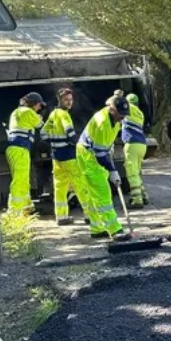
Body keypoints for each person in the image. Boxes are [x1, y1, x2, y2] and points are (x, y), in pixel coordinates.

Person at [76, 92, 131, 240]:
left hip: (94, 152)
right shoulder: (102, 123)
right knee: (102, 192)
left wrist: (109, 150)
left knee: (95, 193)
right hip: (88, 156)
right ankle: (114, 230)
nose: (123, 118)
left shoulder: (114, 119)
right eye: (121, 114)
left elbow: (104, 147)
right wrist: (113, 170)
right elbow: (100, 154)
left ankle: (97, 228)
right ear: (112, 110)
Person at [41, 87, 92, 226]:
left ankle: (62, 216)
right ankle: (90, 214)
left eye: (71, 99)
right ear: (60, 100)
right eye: (66, 100)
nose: (69, 102)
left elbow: (43, 134)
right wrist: (82, 144)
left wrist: (55, 141)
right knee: (80, 184)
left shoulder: (53, 114)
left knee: (60, 187)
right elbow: (70, 133)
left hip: (56, 157)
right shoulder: (64, 115)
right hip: (69, 156)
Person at [5, 91, 45, 214]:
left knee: (23, 179)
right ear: (34, 104)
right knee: (19, 180)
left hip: (14, 149)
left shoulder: (16, 111)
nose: (40, 108)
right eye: (39, 105)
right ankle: (15, 211)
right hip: (20, 149)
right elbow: (40, 125)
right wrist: (41, 116)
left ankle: (27, 206)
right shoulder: (28, 112)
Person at [121, 92, 149, 209]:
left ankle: (137, 199)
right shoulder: (140, 113)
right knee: (137, 171)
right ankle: (144, 195)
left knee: (131, 172)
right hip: (142, 144)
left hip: (131, 144)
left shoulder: (129, 109)